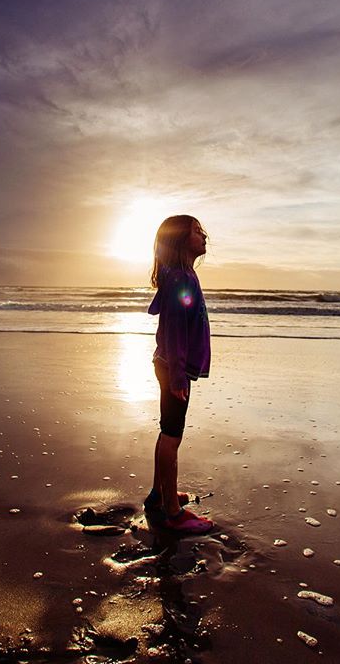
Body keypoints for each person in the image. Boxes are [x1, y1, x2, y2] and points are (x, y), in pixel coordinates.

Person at [143, 215, 214, 534]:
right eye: (197, 232)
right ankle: (172, 512)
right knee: (171, 435)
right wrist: (177, 376)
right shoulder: (180, 279)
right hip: (174, 367)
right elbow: (173, 330)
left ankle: (160, 495)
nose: (204, 237)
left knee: (169, 432)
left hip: (172, 365)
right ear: (179, 240)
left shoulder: (181, 275)